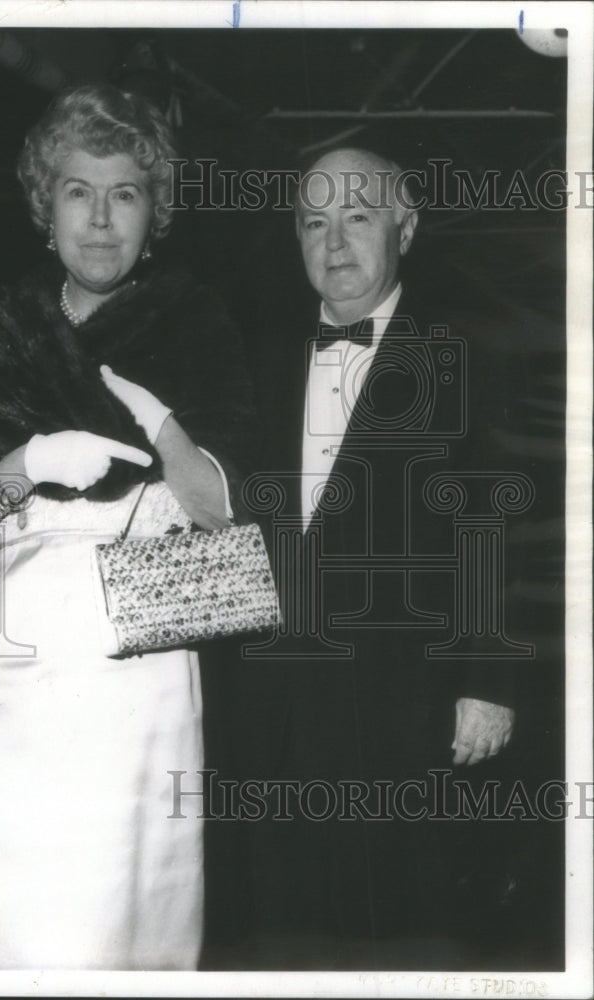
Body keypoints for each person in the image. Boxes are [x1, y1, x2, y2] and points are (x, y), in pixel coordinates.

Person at [0, 83, 256, 970]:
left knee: (110, 912)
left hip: (138, 646)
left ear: (154, 214)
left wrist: (160, 426)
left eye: (126, 193)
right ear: (47, 207)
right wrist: (27, 463)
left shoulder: (198, 320)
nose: (102, 218)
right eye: (80, 190)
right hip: (15, 651)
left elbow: (225, 511)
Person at [203, 147, 530, 970]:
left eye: (358, 216)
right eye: (314, 222)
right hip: (264, 705)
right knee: (269, 939)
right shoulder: (259, 357)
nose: (335, 242)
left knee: (392, 938)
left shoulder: (465, 358)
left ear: (406, 228)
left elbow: (493, 523)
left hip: (396, 702)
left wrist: (486, 679)